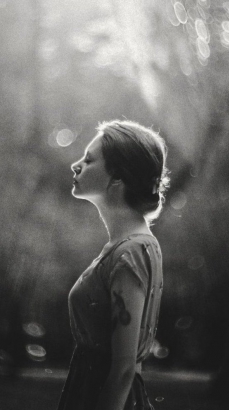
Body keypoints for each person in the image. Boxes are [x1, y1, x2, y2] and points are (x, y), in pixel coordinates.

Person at [57, 120, 169, 410]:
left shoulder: (132, 251)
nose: (76, 165)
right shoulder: (124, 247)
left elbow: (123, 371)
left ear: (117, 176)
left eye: (89, 160)